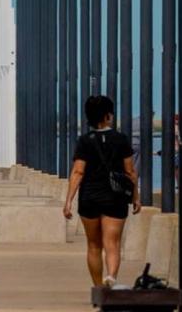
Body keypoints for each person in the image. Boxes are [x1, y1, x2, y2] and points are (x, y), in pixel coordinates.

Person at [63, 95, 141, 288]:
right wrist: (136, 197)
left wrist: (68, 201)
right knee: (112, 243)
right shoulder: (121, 139)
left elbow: (78, 171)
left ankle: (98, 288)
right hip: (115, 198)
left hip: (89, 197)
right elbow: (130, 171)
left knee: (94, 245)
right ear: (107, 116)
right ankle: (111, 278)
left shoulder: (85, 141)